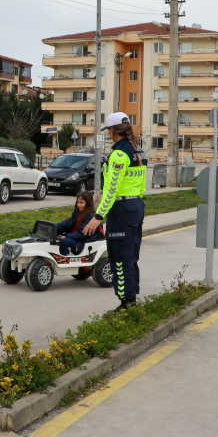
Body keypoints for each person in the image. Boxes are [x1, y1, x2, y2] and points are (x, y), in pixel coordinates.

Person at [83, 112, 147, 313]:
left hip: (121, 212)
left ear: (112, 130)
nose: (109, 134)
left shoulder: (119, 154)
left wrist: (98, 216)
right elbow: (141, 186)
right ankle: (131, 300)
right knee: (131, 257)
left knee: (119, 258)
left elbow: (111, 189)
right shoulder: (138, 151)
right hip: (135, 206)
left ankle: (126, 304)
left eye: (109, 130)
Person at [56, 191, 99, 256]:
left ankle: (63, 259)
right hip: (74, 239)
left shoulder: (91, 217)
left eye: (82, 203)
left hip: (82, 243)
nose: (79, 205)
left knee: (63, 241)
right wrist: (53, 228)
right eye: (78, 202)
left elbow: (82, 234)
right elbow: (65, 224)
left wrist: (66, 236)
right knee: (56, 237)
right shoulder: (77, 214)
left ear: (89, 203)